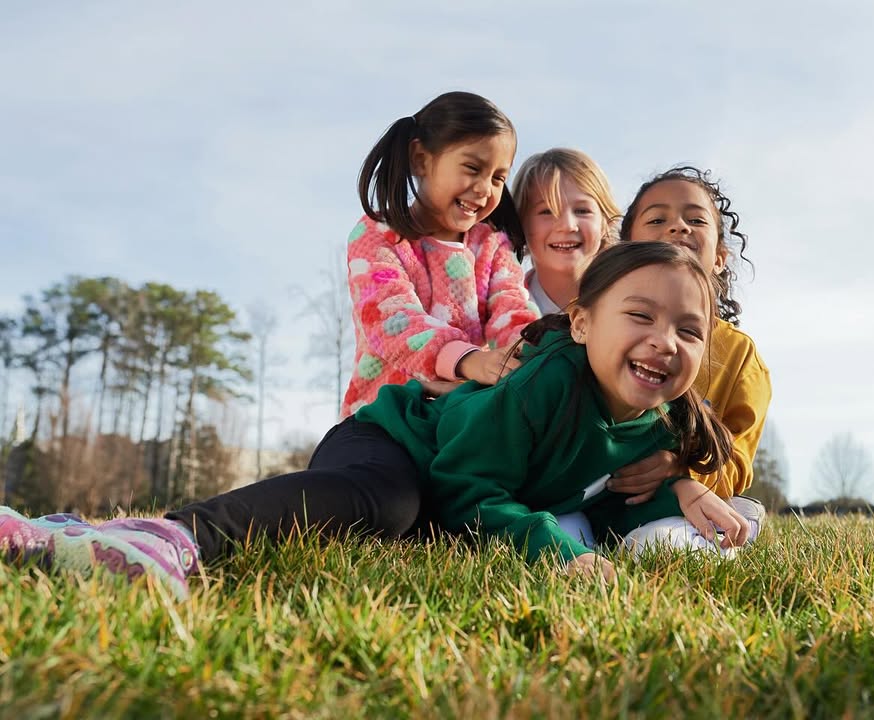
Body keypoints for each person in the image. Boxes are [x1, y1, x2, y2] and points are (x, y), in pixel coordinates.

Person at [0, 242, 751, 596]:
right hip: (395, 440)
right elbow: (467, 489)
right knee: (388, 506)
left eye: (688, 331)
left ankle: (73, 526)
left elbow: (610, 492)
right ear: (582, 323)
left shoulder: (660, 424)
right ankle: (166, 540)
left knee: (412, 519)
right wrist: (550, 548)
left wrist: (677, 495)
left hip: (440, 487)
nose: (665, 342)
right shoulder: (546, 385)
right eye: (640, 316)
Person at [338, 91, 540, 418]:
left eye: (498, 178)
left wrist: (536, 351)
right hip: (384, 417)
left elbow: (513, 309)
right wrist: (467, 360)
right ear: (421, 159)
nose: (485, 189)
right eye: (473, 168)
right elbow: (393, 320)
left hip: (461, 413)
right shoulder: (378, 236)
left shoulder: (491, 246)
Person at [611, 166, 772, 535]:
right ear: (625, 250)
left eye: (695, 219)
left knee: (665, 542)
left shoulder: (739, 357)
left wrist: (680, 468)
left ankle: (735, 521)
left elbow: (737, 459)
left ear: (720, 257)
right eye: (657, 219)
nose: (678, 226)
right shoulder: (603, 326)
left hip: (685, 504)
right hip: (600, 494)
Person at [510, 148, 619, 315]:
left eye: (582, 211)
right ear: (520, 224)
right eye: (547, 211)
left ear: (606, 222)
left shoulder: (633, 302)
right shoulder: (500, 314)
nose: (568, 225)